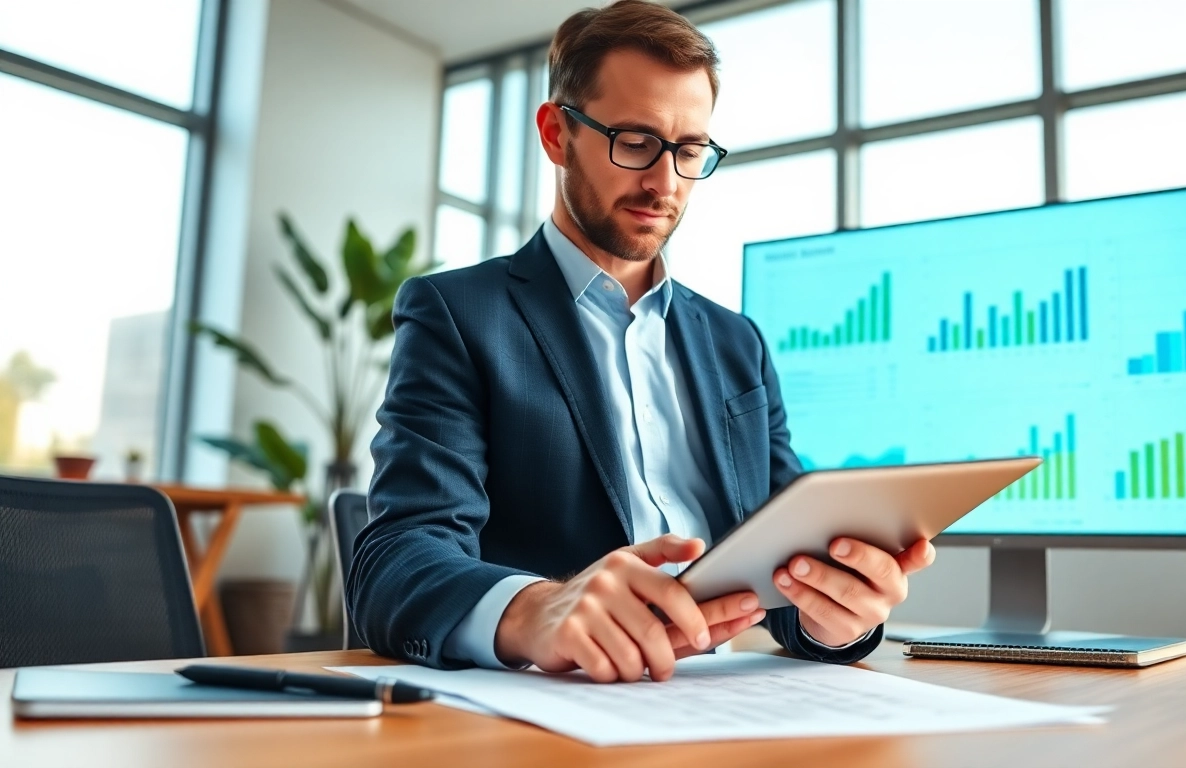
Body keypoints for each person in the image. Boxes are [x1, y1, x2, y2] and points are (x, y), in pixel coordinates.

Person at [348, 0, 934, 683]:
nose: (664, 183)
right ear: (556, 133)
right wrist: (535, 609)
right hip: (549, 703)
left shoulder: (735, 343)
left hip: (720, 704)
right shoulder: (458, 313)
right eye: (635, 140)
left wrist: (833, 613)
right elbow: (397, 558)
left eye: (689, 151)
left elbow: (785, 567)